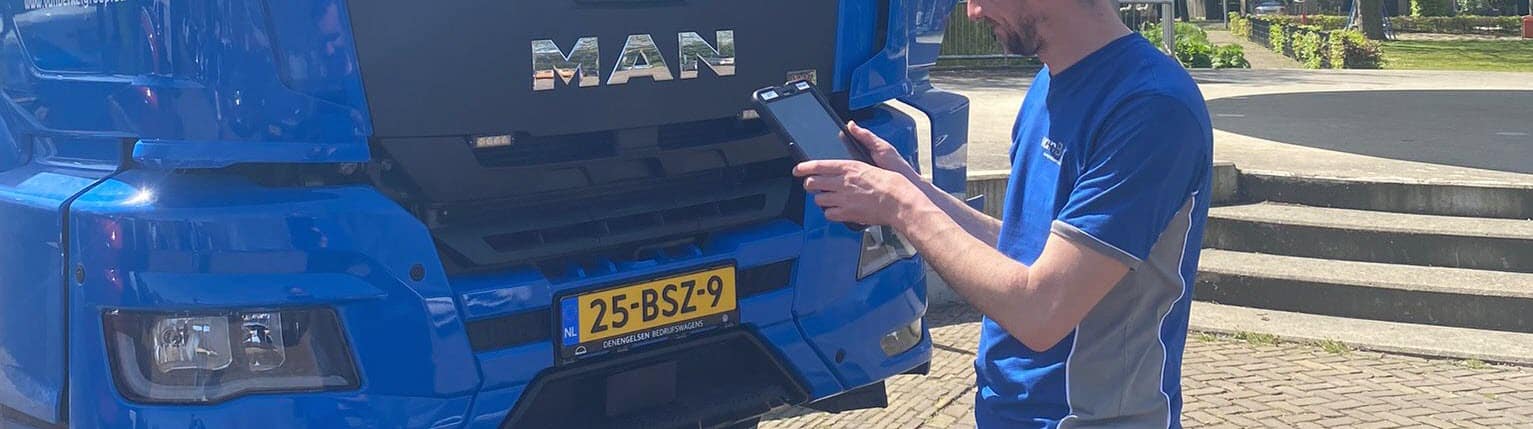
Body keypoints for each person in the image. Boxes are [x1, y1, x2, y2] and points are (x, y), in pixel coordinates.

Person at [791, 0, 1213, 427]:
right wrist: (913, 186)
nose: (972, 12)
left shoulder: (1151, 108)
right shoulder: (1049, 83)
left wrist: (900, 204)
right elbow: (1024, 250)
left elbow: (1042, 310)